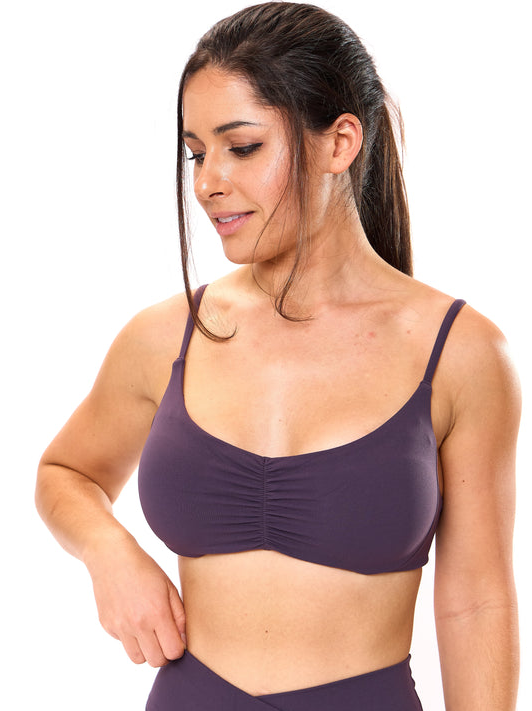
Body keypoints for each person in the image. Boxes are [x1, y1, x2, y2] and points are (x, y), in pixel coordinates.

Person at [35, 3, 521, 709]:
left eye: (241, 147)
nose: (206, 182)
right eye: (196, 153)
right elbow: (65, 472)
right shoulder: (166, 336)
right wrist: (109, 552)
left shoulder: (461, 354)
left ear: (339, 142)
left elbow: (477, 600)